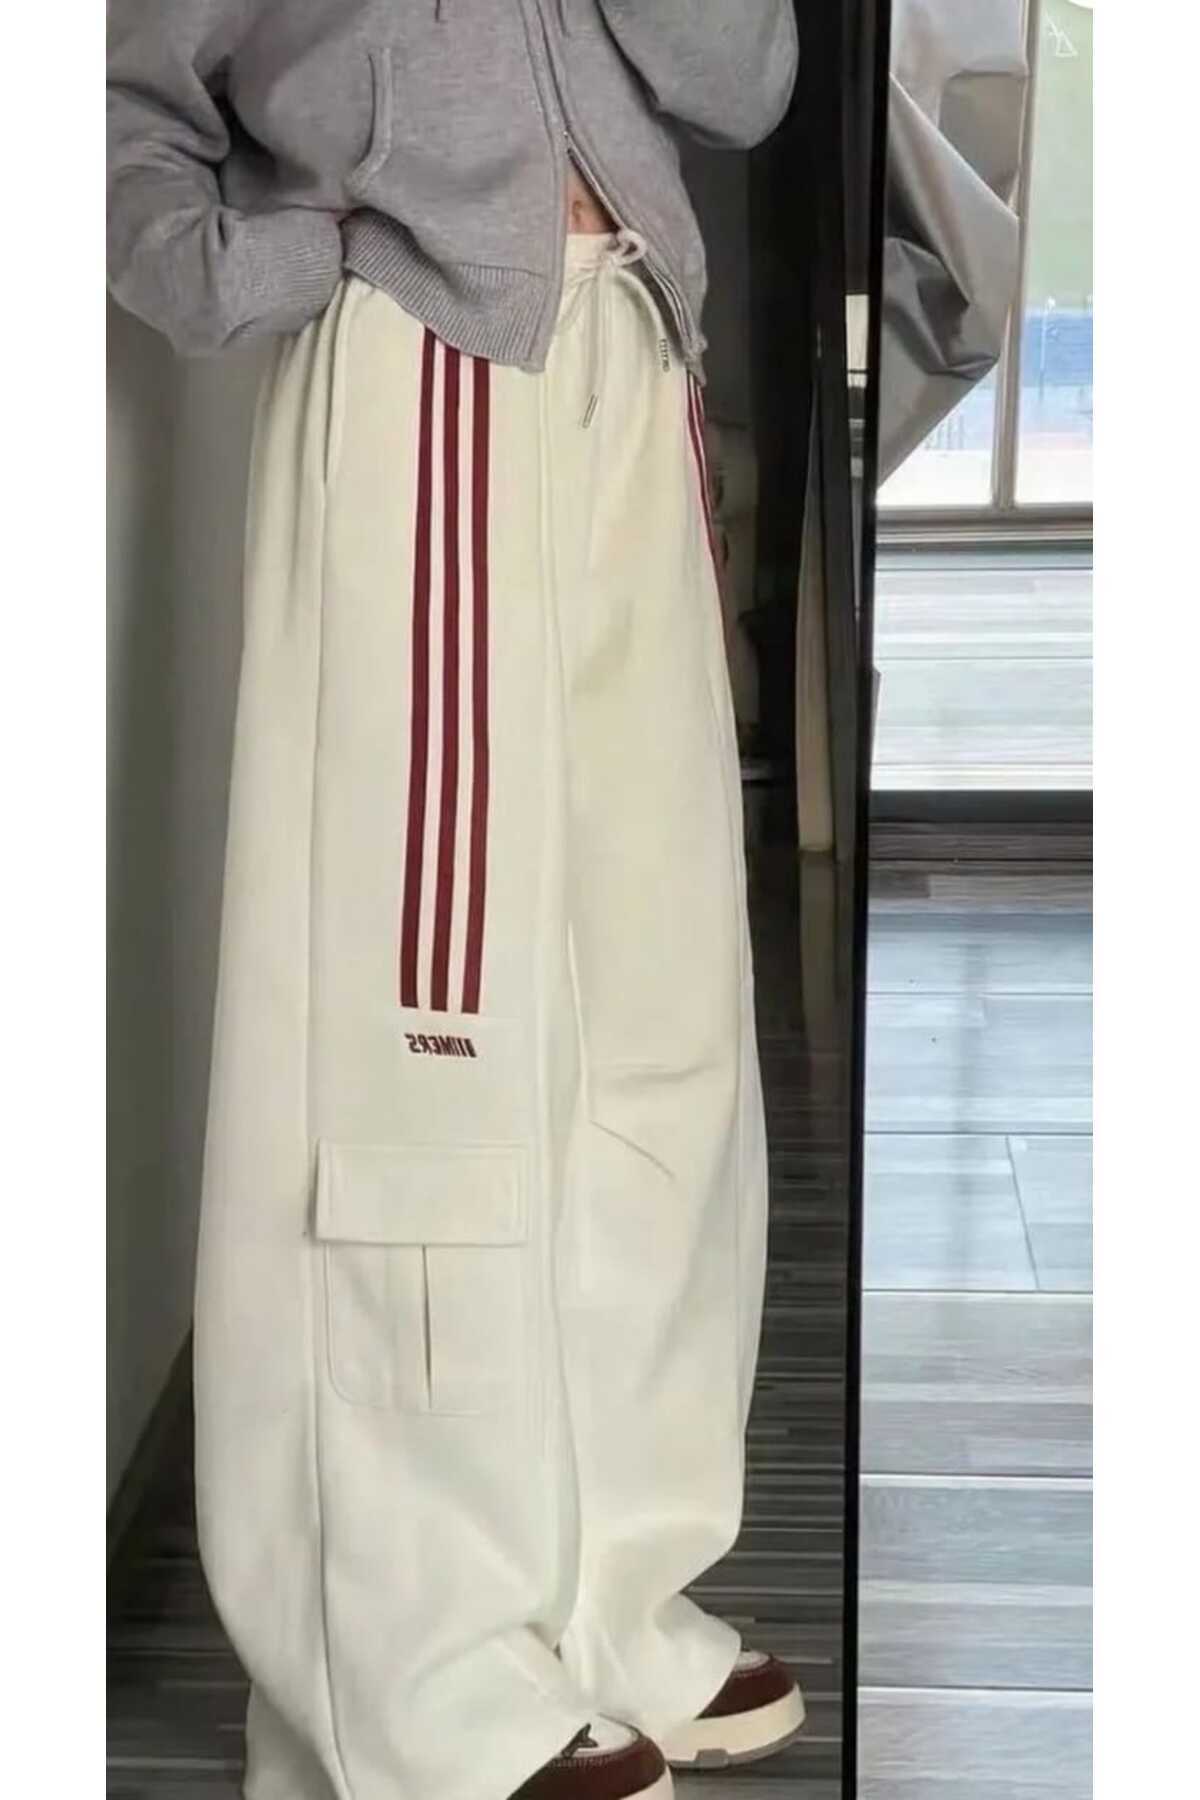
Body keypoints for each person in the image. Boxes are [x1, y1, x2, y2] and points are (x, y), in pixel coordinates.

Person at [107, 5, 801, 1797]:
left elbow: (745, 81)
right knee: (419, 1042)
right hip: (419, 377)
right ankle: (412, 1678)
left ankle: (609, 1595)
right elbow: (107, 105)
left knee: (656, 1038)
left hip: (632, 352)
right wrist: (275, 264)